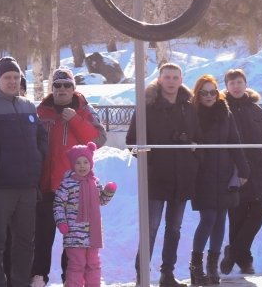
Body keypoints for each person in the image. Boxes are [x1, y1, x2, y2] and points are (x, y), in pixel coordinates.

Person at [0, 56, 48, 287]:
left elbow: (42, 136)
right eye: (7, 77)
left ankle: (20, 283)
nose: (12, 81)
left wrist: (38, 156)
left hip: (26, 186)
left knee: (25, 241)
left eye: (16, 77)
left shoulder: (28, 106)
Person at [126, 63, 200, 287]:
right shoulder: (147, 106)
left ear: (181, 79)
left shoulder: (189, 106)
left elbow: (198, 138)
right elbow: (132, 141)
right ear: (159, 79)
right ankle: (142, 275)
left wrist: (193, 155)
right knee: (151, 227)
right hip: (156, 178)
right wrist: (152, 161)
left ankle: (167, 274)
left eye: (175, 77)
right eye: (167, 77)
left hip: (182, 178)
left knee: (174, 228)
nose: (171, 81)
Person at [32, 68, 107, 287]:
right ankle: (39, 277)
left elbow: (99, 139)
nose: (62, 89)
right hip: (46, 186)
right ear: (52, 88)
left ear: (74, 88)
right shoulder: (41, 112)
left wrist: (75, 120)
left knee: (72, 240)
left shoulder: (84, 110)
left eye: (67, 85)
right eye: (57, 85)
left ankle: (70, 280)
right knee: (43, 236)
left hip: (75, 189)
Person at [188, 75, 249, 286]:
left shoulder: (225, 112)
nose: (209, 96)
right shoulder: (192, 113)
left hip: (223, 171)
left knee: (221, 218)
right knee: (208, 218)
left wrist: (243, 169)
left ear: (218, 93)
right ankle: (196, 266)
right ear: (198, 94)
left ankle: (212, 267)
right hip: (202, 172)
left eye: (212, 92)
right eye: (204, 92)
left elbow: (234, 140)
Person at [219, 69, 262, 276]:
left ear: (245, 85)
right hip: (235, 170)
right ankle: (245, 261)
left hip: (259, 168)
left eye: (239, 82)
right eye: (232, 83)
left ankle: (233, 251)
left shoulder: (255, 109)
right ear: (226, 86)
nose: (236, 86)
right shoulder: (221, 108)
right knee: (237, 216)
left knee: (259, 211)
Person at [53, 142, 117, 287]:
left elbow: (101, 201)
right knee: (77, 265)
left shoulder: (95, 182)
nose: (82, 166)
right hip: (74, 234)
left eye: (85, 162)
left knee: (94, 264)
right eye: (78, 163)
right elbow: (58, 204)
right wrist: (61, 222)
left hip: (92, 233)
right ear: (72, 165)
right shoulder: (67, 184)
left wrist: (108, 192)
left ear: (91, 163)